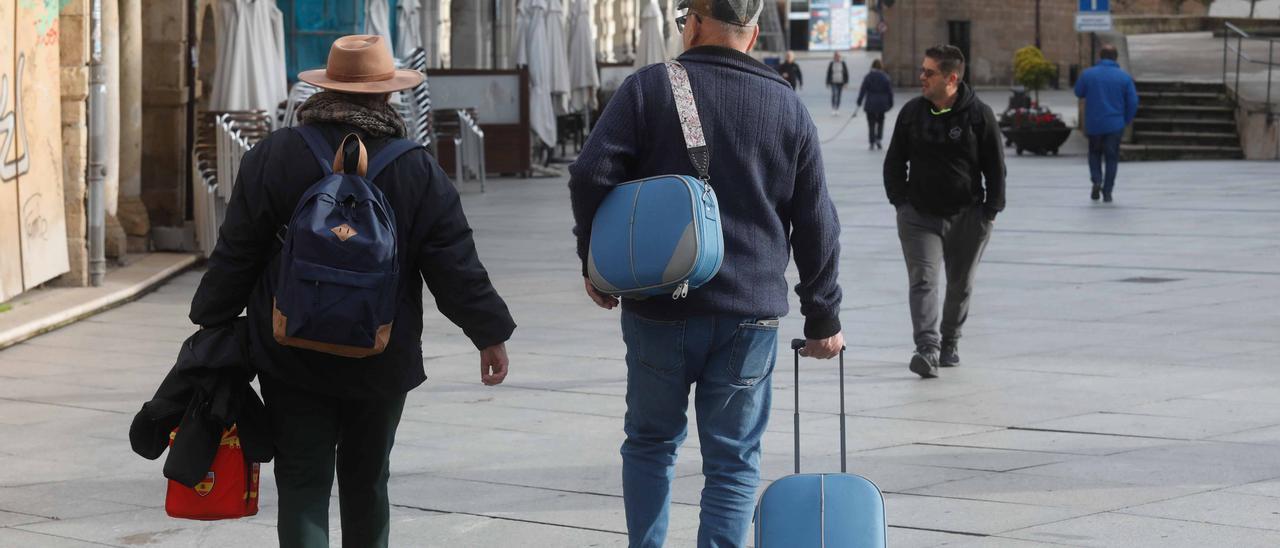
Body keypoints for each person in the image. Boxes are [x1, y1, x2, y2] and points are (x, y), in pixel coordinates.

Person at [188, 35, 516, 548]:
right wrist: (488, 333)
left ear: (323, 90)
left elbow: (237, 250)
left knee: (301, 481)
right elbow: (454, 260)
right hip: (382, 350)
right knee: (367, 481)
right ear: (388, 95)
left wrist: (210, 319)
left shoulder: (275, 155)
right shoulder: (415, 166)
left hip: (289, 347)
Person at [568, 1, 844, 545]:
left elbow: (590, 174)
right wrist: (822, 317)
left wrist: (595, 264)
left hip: (659, 303)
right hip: (751, 312)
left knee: (651, 441)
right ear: (753, 33)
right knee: (734, 460)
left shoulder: (647, 89)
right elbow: (817, 222)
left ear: (693, 23)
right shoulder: (786, 105)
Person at [883, 45, 1004, 379]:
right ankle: (927, 348)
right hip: (919, 216)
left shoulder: (979, 115)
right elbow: (894, 163)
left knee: (960, 284)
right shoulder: (911, 114)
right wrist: (901, 204)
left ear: (951, 78)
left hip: (968, 216)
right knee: (923, 281)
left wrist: (989, 213)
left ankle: (950, 340)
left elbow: (995, 169)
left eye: (929, 72)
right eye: (922, 70)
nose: (921, 77)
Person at [1074, 44, 1138, 203]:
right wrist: (1125, 120)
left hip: (1095, 123)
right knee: (1111, 158)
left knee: (1094, 154)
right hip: (1115, 124)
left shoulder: (1088, 74)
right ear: (1116, 57)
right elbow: (1133, 102)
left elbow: (1078, 92)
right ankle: (1108, 191)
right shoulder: (1124, 77)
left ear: (1100, 57)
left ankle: (1096, 179)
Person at [856, 58, 895, 150]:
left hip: (870, 102)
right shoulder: (885, 77)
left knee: (871, 123)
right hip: (882, 103)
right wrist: (891, 102)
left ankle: (872, 141)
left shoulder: (868, 77)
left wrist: (859, 101)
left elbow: (863, 90)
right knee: (881, 121)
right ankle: (879, 138)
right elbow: (890, 91)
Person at [826, 51, 850, 115]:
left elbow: (846, 73)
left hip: (841, 82)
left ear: (839, 57)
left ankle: (837, 108)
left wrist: (846, 82)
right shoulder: (831, 63)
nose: (837, 57)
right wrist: (827, 82)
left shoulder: (843, 63)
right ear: (834, 57)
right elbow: (828, 73)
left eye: (838, 56)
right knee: (834, 94)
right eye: (835, 56)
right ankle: (833, 108)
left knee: (839, 95)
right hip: (833, 82)